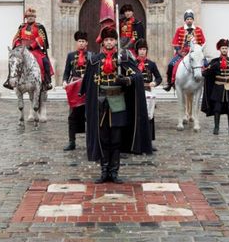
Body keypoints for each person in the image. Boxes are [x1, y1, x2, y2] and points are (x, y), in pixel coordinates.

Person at [80, 25, 153, 183]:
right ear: (102, 42)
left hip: (119, 104)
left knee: (116, 140)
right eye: (106, 40)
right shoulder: (94, 60)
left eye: (112, 39)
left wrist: (126, 79)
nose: (109, 43)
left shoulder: (124, 59)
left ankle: (114, 172)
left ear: (116, 41)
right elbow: (88, 83)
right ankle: (104, 170)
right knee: (103, 139)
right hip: (101, 105)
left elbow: (138, 77)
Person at [201, 38, 229, 135]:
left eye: (226, 48)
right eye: (223, 48)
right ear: (219, 49)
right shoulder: (215, 62)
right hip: (218, 88)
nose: (224, 50)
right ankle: (216, 127)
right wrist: (204, 69)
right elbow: (206, 73)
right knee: (217, 108)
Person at [63, 31, 92, 151]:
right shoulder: (70, 55)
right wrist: (65, 81)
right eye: (79, 41)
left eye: (83, 41)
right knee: (72, 115)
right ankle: (71, 141)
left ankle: (90, 141)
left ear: (87, 43)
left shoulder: (91, 55)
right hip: (74, 88)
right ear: (77, 43)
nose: (81, 43)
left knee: (88, 115)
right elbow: (66, 71)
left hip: (87, 88)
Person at [11, 7, 54, 90]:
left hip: (35, 50)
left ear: (35, 17)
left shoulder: (39, 27)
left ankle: (47, 81)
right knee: (13, 61)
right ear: (26, 17)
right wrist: (19, 46)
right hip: (22, 49)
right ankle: (11, 80)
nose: (30, 17)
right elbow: (16, 38)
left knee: (45, 61)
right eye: (28, 16)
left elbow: (42, 38)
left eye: (32, 16)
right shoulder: (21, 27)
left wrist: (32, 46)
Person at [163, 9, 206, 91]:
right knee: (171, 65)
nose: (189, 21)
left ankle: (206, 83)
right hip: (182, 53)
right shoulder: (180, 30)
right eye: (187, 19)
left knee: (206, 64)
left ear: (193, 20)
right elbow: (175, 43)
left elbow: (203, 42)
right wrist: (180, 52)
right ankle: (170, 83)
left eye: (190, 19)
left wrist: (198, 51)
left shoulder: (198, 30)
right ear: (185, 20)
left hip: (195, 53)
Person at [135, 38, 162, 147]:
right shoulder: (133, 63)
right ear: (137, 50)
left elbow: (159, 78)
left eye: (144, 49)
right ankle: (137, 141)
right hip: (136, 92)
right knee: (137, 116)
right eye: (140, 49)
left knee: (149, 117)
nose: (142, 51)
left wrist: (154, 83)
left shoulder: (151, 64)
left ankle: (149, 141)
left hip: (148, 92)